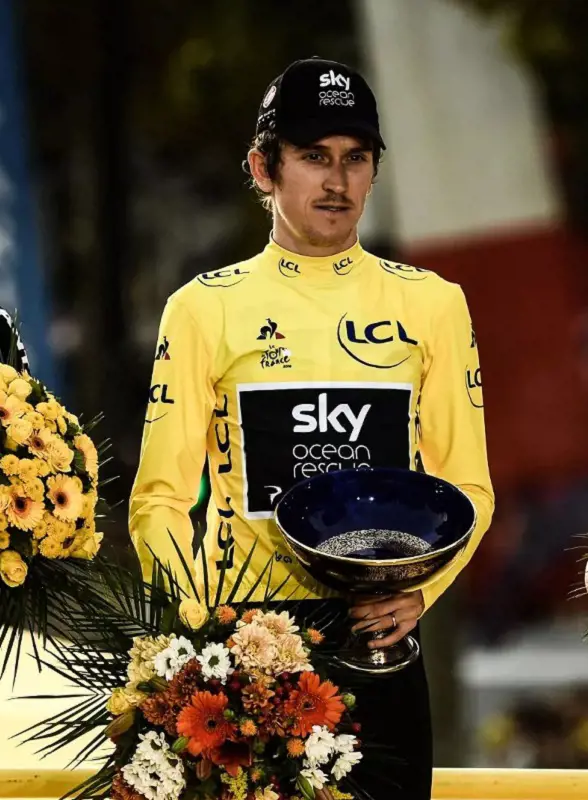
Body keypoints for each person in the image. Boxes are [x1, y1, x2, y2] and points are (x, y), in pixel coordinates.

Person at [129, 57, 494, 799]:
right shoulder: (202, 309)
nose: (337, 181)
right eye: (314, 157)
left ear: (374, 171)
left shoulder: (433, 305)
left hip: (383, 632)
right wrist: (204, 636)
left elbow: (468, 486)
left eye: (356, 159)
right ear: (264, 168)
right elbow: (158, 501)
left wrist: (422, 595)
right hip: (247, 644)